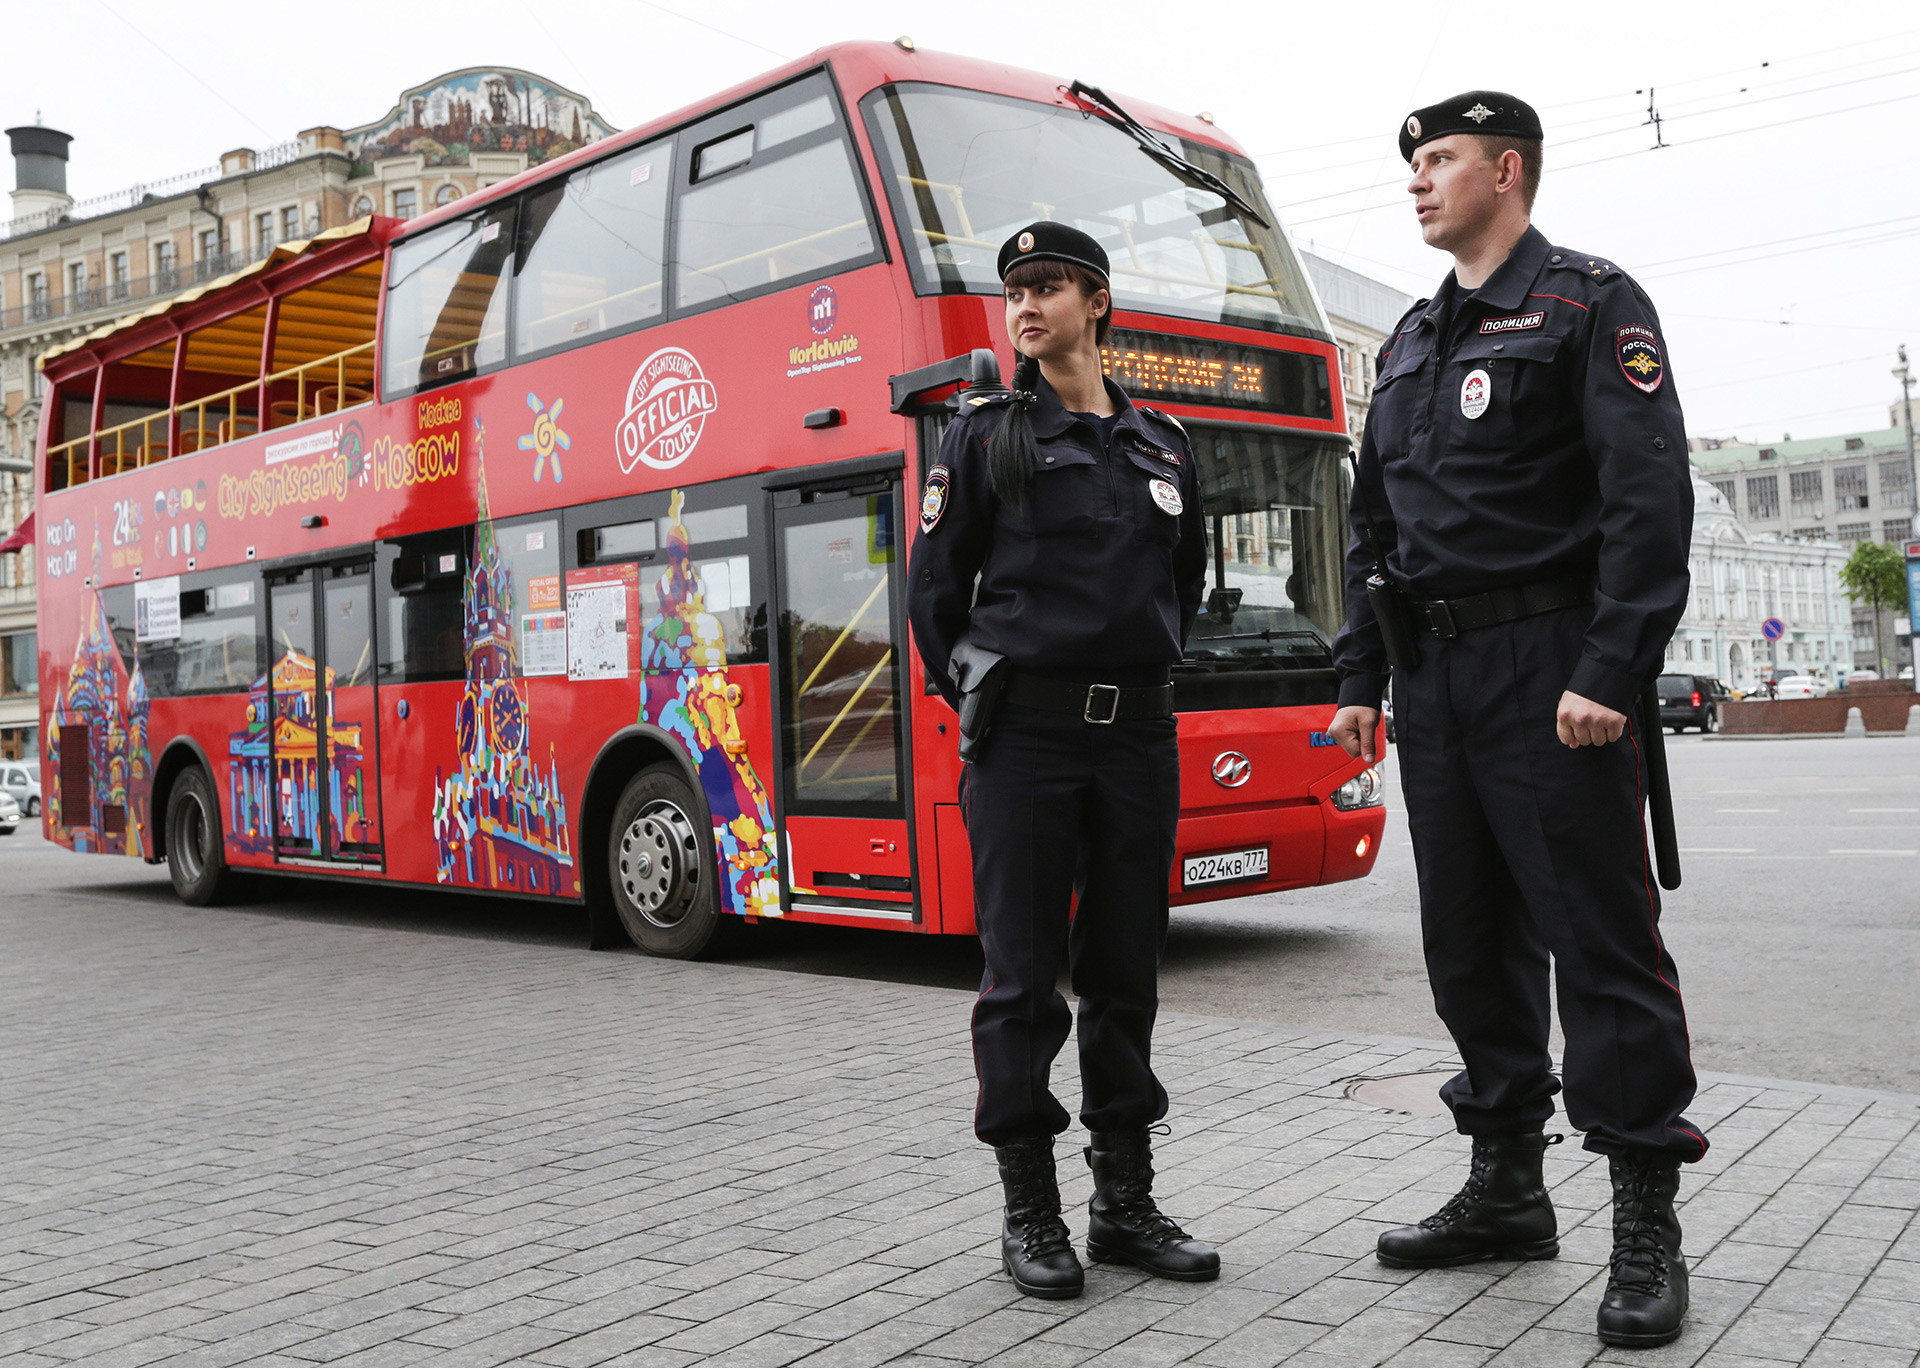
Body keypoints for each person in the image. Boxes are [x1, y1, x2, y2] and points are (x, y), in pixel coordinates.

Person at [1327, 94, 1705, 1348]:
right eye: (1413, 163)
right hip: (1433, 680)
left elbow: (1648, 499)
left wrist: (1611, 665)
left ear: (1508, 169)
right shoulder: (1410, 338)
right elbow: (1372, 532)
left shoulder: (1591, 302)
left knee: (1600, 945)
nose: (1420, 182)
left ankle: (1645, 1217)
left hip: (1555, 672)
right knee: (1471, 946)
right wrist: (1358, 681)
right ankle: (1506, 1190)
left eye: (1440, 161)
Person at [907, 222, 1218, 1300]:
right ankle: (1030, 1213)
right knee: (1024, 980)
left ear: (1095, 300)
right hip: (1026, 741)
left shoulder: (1162, 444)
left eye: (1047, 287)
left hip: (1138, 735)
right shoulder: (985, 437)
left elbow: (1188, 579)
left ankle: (1124, 1205)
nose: (1025, 307)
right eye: (1014, 292)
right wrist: (994, 695)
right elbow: (935, 597)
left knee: (1126, 971)